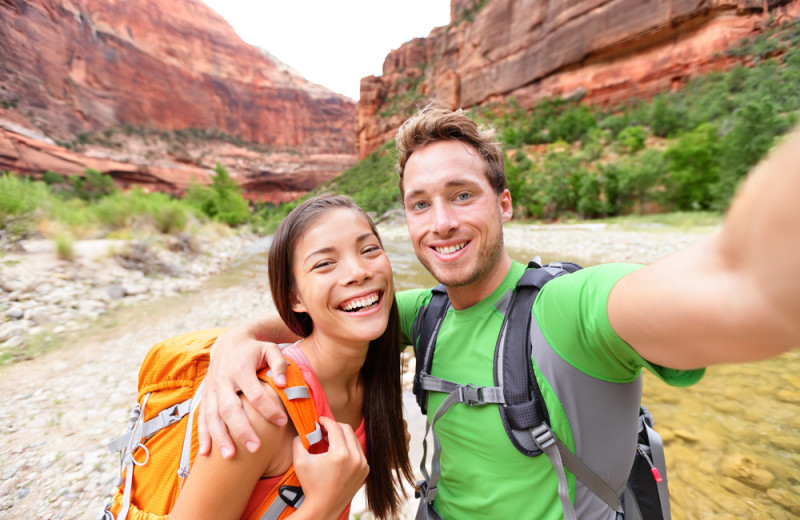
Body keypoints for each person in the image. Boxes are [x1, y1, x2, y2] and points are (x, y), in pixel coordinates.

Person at [197, 107, 800, 519]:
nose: (442, 223)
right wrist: (234, 344)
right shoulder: (418, 313)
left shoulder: (569, 309)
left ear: (503, 203)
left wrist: (762, 276)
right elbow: (326, 318)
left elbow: (731, 289)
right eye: (420, 204)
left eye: (463, 195)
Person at [169, 194, 412, 519]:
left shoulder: (369, 376)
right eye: (325, 263)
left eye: (369, 249)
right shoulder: (262, 411)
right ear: (294, 298)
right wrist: (323, 505)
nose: (358, 272)